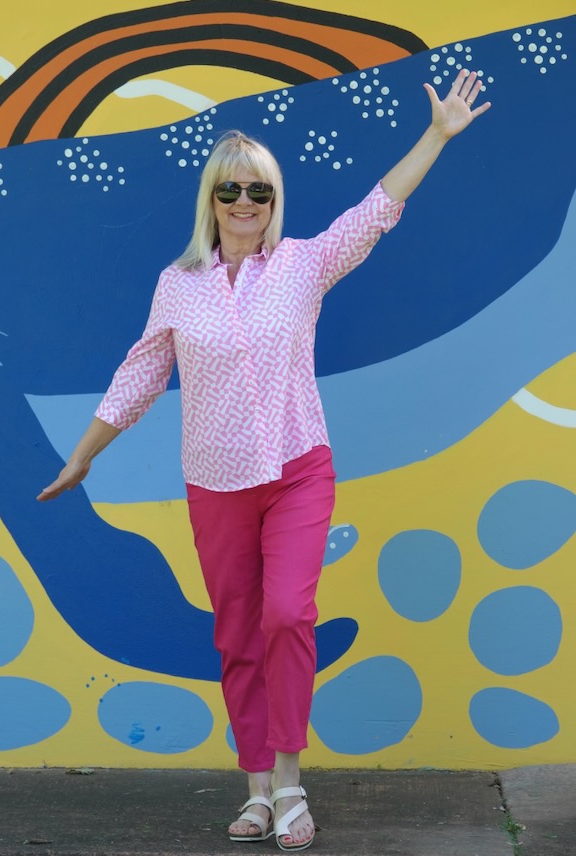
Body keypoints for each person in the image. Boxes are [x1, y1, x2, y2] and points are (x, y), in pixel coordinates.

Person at [38, 69, 490, 851]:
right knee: (237, 632)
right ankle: (257, 791)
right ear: (210, 201)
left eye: (260, 192)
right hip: (214, 483)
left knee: (287, 613)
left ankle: (290, 782)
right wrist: (84, 455)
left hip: (296, 469)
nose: (245, 204)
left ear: (276, 201)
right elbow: (141, 372)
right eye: (230, 191)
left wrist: (438, 135)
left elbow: (378, 210)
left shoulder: (306, 264)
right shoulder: (178, 285)